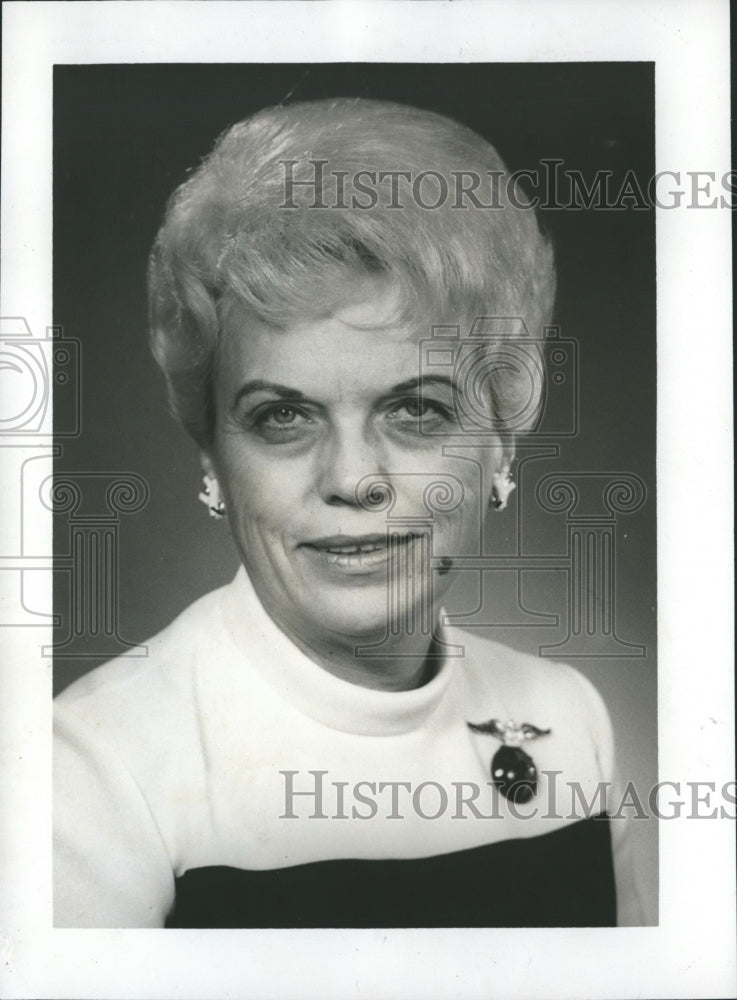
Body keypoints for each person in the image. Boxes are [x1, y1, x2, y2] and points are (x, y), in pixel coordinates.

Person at [53, 97, 645, 928]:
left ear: (501, 442)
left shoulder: (567, 716)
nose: (355, 480)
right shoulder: (88, 772)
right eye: (282, 417)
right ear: (211, 458)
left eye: (415, 410)